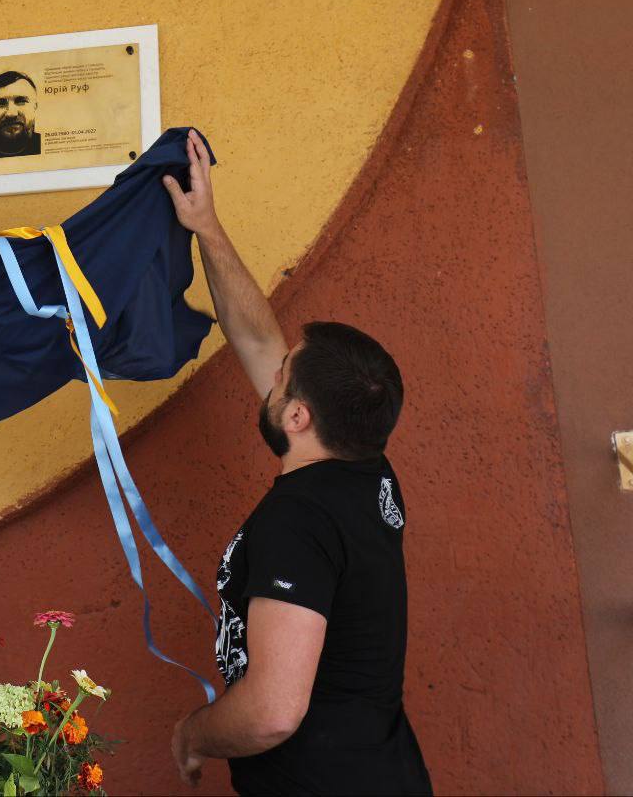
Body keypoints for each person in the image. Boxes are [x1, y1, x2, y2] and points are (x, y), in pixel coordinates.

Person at [164, 131, 432, 795]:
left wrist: (192, 734)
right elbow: (258, 338)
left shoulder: (297, 520)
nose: (273, 372)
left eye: (284, 376)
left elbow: (274, 712)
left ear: (298, 418)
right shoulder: (368, 472)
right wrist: (206, 227)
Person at [0, 70, 42, 159]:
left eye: (21, 101)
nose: (11, 114)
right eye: (0, 104)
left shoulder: (46, 146)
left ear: (35, 107)